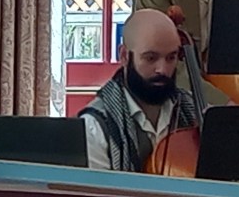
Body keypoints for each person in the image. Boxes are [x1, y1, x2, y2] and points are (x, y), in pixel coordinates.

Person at [78, 9, 200, 171]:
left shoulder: (195, 111)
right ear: (124, 56)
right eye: (150, 58)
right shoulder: (96, 127)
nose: (162, 70)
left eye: (171, 58)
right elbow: (101, 195)